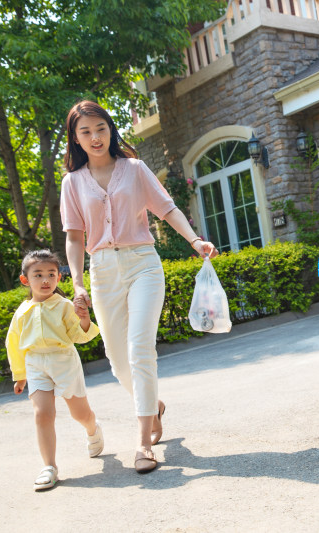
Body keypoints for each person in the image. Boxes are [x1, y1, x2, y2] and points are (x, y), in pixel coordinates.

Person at [60, 100, 217, 474]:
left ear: (111, 130)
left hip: (143, 264)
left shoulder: (134, 169)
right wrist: (77, 282)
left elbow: (168, 208)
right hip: (102, 271)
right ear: (76, 139)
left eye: (101, 128)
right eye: (86, 132)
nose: (95, 137)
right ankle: (154, 405)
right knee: (117, 360)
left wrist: (195, 240)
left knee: (139, 348)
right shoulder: (72, 182)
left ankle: (144, 442)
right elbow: (74, 237)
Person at [6, 249, 103, 491]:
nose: (46, 280)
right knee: (42, 414)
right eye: (38, 275)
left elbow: (80, 335)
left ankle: (93, 428)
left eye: (51, 274)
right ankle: (49, 467)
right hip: (35, 364)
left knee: (80, 414)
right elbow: (14, 344)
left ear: (59, 277)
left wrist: (83, 318)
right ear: (25, 280)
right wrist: (20, 375)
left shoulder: (64, 305)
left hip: (63, 361)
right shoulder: (22, 312)